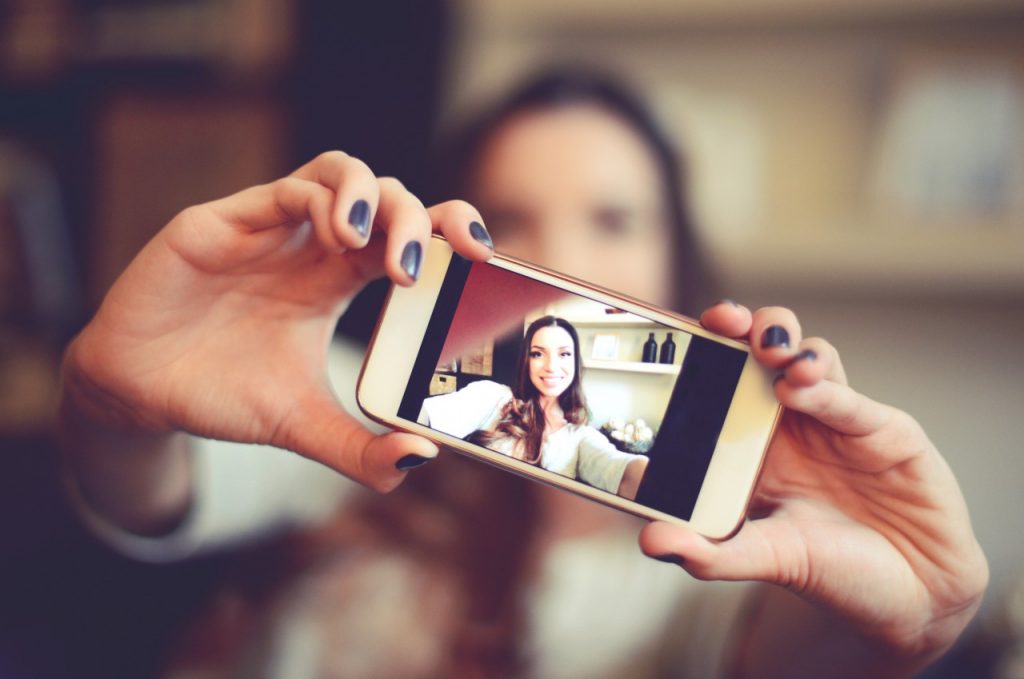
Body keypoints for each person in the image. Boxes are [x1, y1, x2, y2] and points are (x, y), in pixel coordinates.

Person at [59, 70, 988, 677]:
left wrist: (895, 625)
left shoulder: (723, 548)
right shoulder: (366, 413)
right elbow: (152, 491)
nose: (562, 260)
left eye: (614, 219)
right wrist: (114, 409)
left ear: (677, 256)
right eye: (511, 215)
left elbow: (783, 653)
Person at [418, 315, 649, 498]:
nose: (551, 367)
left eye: (564, 354)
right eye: (538, 354)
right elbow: (429, 417)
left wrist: (652, 476)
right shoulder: (493, 396)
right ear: (526, 361)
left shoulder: (580, 436)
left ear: (575, 362)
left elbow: (621, 469)